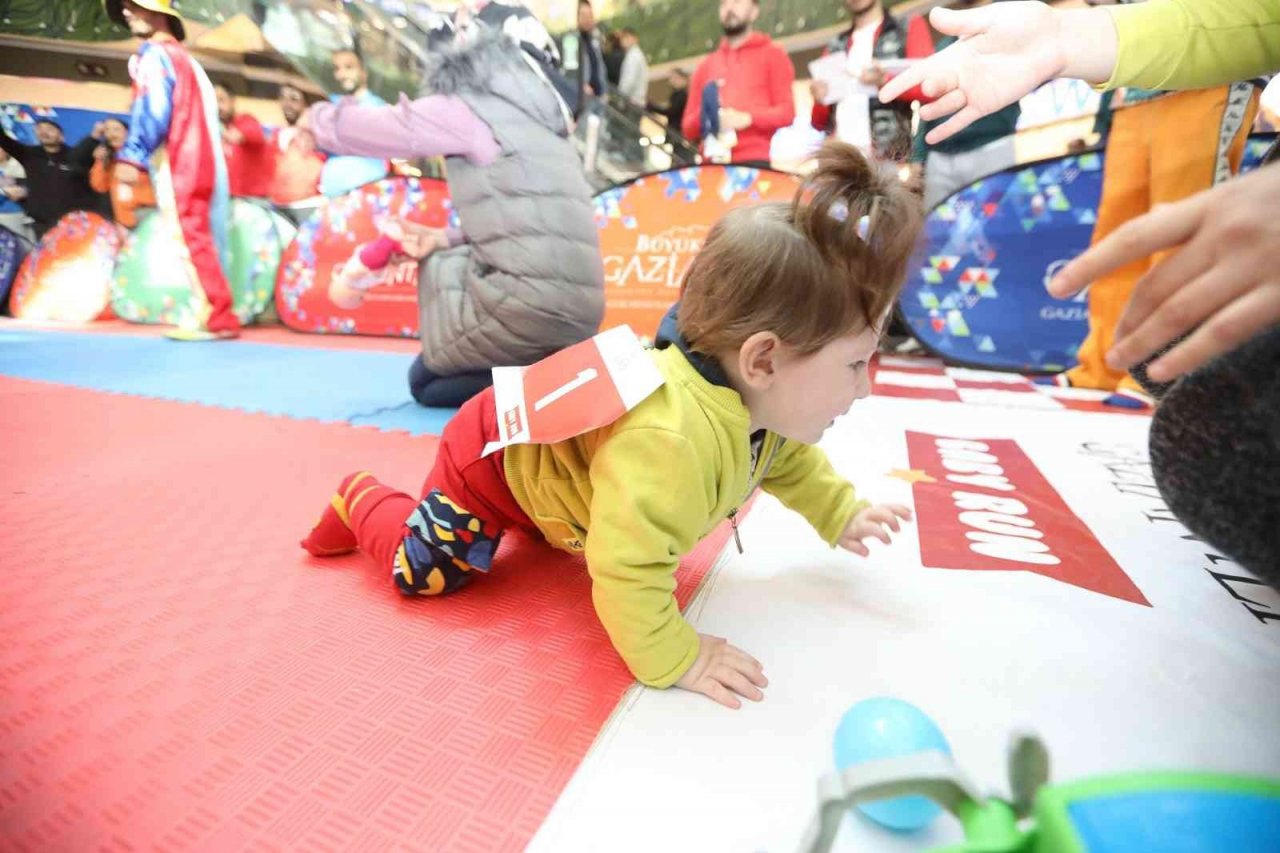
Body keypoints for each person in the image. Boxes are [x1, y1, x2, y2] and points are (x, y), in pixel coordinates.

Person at [300, 141, 919, 707]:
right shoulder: (667, 444)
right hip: (489, 461)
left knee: (579, 524)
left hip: (557, 480)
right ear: (762, 360)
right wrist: (678, 655)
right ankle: (361, 499)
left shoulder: (762, 409)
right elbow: (627, 571)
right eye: (855, 364)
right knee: (426, 573)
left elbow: (788, 461)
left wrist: (840, 512)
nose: (866, 387)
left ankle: (538, 517)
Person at [880, 0, 1280, 580]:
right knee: (1123, 243)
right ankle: (1102, 363)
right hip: (1136, 93)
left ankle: (1150, 371)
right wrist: (1063, 39)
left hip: (1208, 97)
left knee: (1182, 247)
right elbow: (1252, 17)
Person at [306, 24, 604, 408]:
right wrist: (442, 237)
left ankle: (545, 386)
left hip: (531, 308)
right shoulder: (544, 119)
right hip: (581, 314)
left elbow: (382, 129)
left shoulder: (470, 104)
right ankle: (554, 369)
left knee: (425, 381)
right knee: (442, 350)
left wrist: (313, 120)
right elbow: (526, 227)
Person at [107, 0, 240, 341]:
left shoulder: (155, 55)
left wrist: (132, 155)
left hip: (182, 160)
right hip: (201, 160)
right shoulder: (185, 59)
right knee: (202, 237)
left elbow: (153, 107)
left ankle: (216, 316)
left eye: (133, 5)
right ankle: (212, 311)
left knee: (191, 237)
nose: (126, 11)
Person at [909, 0, 1018, 210]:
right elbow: (928, 107)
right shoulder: (943, 46)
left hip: (993, 148)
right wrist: (918, 156)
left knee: (999, 226)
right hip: (941, 159)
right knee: (941, 233)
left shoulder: (1009, 22)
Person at [810, 0, 933, 162]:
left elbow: (929, 88)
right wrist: (820, 100)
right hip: (841, 161)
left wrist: (884, 80)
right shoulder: (834, 46)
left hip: (889, 159)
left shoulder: (908, 27)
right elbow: (818, 123)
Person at [681, 0, 795, 167]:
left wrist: (747, 118)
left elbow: (787, 112)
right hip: (710, 165)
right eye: (724, 4)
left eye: (737, 2)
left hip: (755, 163)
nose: (729, 8)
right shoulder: (705, 66)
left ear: (754, 11)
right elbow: (687, 128)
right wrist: (710, 113)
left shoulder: (774, 55)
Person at [0, 118, 99, 239]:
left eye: (49, 129)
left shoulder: (76, 156)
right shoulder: (28, 154)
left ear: (62, 136)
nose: (44, 132)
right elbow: (3, 139)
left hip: (72, 224)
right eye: (40, 129)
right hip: (41, 225)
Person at [317, 49, 389, 198]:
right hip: (332, 198)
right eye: (337, 68)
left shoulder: (378, 108)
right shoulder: (331, 103)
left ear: (363, 72)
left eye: (349, 67)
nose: (341, 75)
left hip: (364, 195)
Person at [88, 117, 156, 228]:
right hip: (123, 219)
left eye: (116, 129)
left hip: (147, 213)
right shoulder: (108, 158)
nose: (111, 134)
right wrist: (100, 161)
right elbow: (99, 186)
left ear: (128, 132)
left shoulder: (141, 153)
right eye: (107, 130)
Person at [268, 83, 325, 205]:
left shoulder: (316, 135)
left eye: (294, 99)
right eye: (283, 98)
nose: (287, 104)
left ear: (305, 104)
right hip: (279, 207)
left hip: (309, 206)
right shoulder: (275, 135)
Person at [214, 84, 273, 199]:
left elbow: (238, 136)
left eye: (221, 100)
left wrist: (219, 129)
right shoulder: (218, 130)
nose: (218, 106)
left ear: (232, 101)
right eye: (213, 101)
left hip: (254, 200)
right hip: (229, 198)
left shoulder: (247, 121)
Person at [560, 0, 608, 118]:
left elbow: (599, 66)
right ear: (577, 17)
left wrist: (604, 90)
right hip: (582, 101)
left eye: (590, 15)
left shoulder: (593, 40)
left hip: (599, 98)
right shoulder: (571, 40)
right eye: (584, 15)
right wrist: (582, 86)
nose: (588, 19)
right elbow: (569, 72)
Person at [0, 147, 32, 242]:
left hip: (22, 215)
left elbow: (33, 187)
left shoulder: (19, 166)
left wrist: (23, 191)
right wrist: (4, 192)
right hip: (4, 215)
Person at [617, 28, 649, 111]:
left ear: (635, 38)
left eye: (627, 37)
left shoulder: (633, 56)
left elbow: (629, 80)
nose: (624, 40)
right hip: (637, 100)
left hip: (631, 102)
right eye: (622, 37)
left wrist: (620, 98)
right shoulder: (636, 54)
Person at [664, 68, 691, 138]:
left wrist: (651, 106)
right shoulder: (677, 94)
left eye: (673, 78)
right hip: (677, 131)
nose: (671, 81)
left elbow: (672, 111)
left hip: (681, 131)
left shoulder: (684, 93)